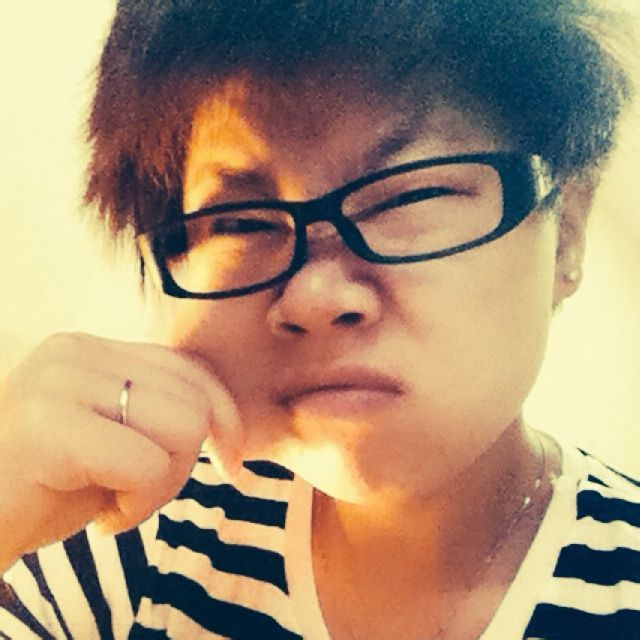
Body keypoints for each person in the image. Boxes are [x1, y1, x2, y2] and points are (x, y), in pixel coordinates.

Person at [1, 1, 639, 638]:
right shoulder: (124, 540)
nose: (315, 295)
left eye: (410, 194)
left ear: (566, 232)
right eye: (241, 223)